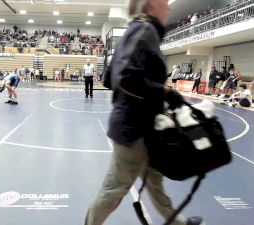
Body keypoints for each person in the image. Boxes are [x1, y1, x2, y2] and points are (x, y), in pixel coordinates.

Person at [84, 1, 204, 225]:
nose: (168, 6)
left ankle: (179, 223)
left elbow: (109, 78)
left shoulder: (134, 33)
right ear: (150, 4)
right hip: (133, 131)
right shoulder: (144, 31)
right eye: (163, 2)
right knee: (114, 190)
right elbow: (127, 79)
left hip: (145, 128)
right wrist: (167, 93)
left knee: (155, 183)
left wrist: (153, 100)